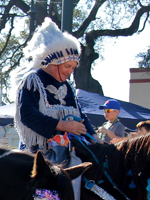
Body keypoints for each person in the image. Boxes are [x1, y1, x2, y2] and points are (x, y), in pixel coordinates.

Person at [11, 17, 96, 166]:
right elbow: (27, 114)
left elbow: (80, 115)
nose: (70, 72)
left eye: (73, 68)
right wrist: (61, 125)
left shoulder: (67, 86)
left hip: (70, 151)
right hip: (38, 154)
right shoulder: (33, 81)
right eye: (67, 66)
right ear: (54, 63)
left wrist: (95, 139)